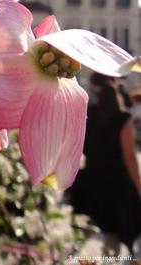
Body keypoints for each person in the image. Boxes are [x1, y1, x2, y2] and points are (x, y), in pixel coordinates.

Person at [69, 73, 141, 254]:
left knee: (104, 231)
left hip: (93, 179)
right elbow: (130, 158)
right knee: (120, 230)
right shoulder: (123, 119)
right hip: (118, 182)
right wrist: (139, 186)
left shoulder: (90, 114)